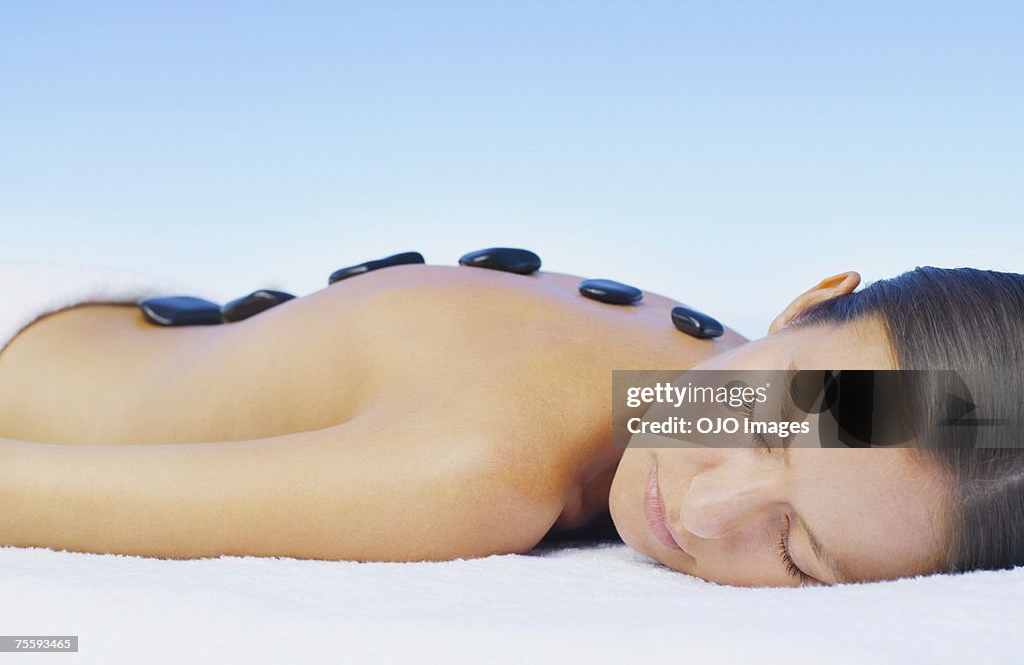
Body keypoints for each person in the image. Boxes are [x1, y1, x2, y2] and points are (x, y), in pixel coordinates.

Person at [0, 261, 1020, 588]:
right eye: (763, 426)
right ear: (805, 303)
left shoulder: (702, 363)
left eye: (799, 554)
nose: (706, 508)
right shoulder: (479, 469)